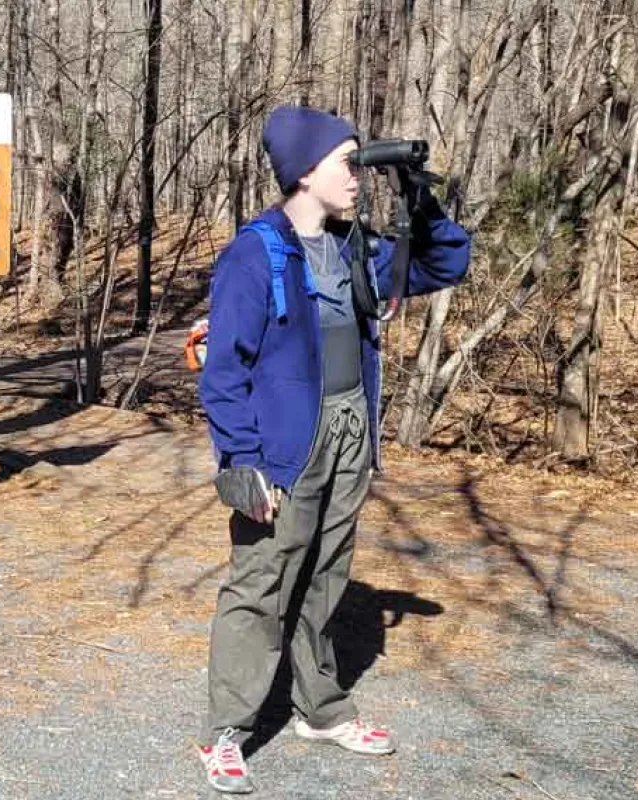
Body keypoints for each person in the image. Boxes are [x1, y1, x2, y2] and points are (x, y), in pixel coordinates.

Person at [193, 106, 472, 794]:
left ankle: (319, 709)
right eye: (346, 162)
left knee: (326, 574)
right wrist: (241, 461)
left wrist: (418, 192)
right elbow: (224, 368)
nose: (356, 176)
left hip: (350, 430)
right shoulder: (255, 253)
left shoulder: (357, 247)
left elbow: (447, 261)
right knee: (262, 583)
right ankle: (226, 729)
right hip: (285, 442)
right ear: (304, 172)